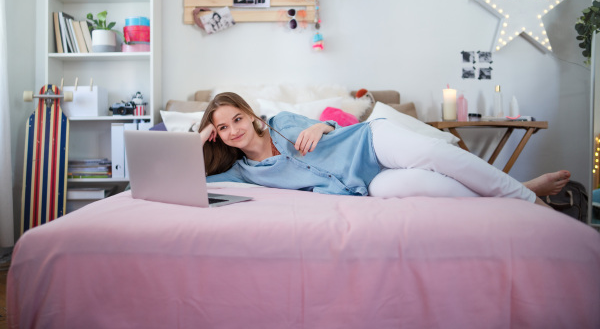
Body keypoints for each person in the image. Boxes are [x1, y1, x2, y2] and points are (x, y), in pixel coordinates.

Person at [199, 92, 570, 207]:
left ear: (250, 116)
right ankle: (520, 192)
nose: (233, 130)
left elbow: (335, 130)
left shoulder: (281, 122)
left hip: (371, 144)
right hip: (364, 186)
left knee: (440, 157)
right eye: (222, 127)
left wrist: (320, 124)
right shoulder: (242, 173)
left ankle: (530, 200)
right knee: (432, 187)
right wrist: (200, 137)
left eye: (237, 119)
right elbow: (190, 174)